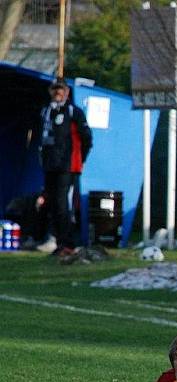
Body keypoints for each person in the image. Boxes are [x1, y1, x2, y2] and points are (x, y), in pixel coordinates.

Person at [39, 79, 93, 256]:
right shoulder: (46, 111)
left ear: (67, 91)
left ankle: (68, 243)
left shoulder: (73, 112)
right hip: (50, 164)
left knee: (63, 203)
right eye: (54, 89)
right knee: (52, 202)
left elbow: (87, 138)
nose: (57, 92)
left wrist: (80, 159)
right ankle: (57, 241)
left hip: (67, 165)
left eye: (60, 89)